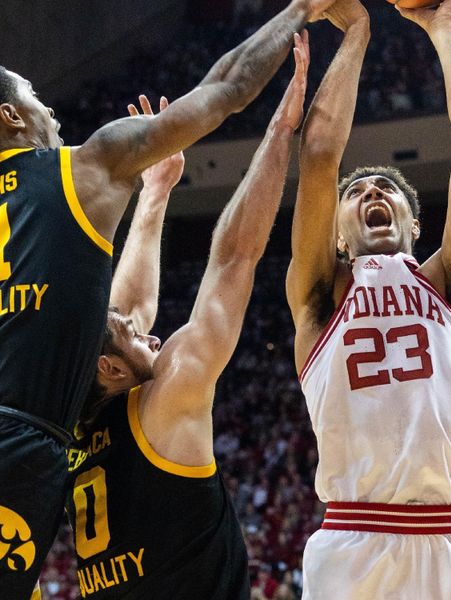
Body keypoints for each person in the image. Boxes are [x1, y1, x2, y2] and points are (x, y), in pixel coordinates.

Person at [0, 1, 334, 596]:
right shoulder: (81, 168)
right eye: (33, 98)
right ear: (10, 117)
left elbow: (122, 320)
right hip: (20, 443)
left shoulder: (88, 412)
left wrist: (155, 200)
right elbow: (225, 91)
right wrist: (302, 14)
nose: (48, 107)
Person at [63, 33, 310, 599]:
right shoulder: (165, 401)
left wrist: (155, 195)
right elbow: (234, 259)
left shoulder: (75, 426)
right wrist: (279, 132)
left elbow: (122, 314)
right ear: (111, 371)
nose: (145, 328)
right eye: (133, 337)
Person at [285, 0, 451, 596]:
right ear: (335, 231)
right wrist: (357, 31)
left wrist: (444, 26)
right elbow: (321, 158)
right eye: (357, 192)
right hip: (356, 540)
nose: (371, 190)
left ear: (415, 221)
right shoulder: (318, 296)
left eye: (386, 189)